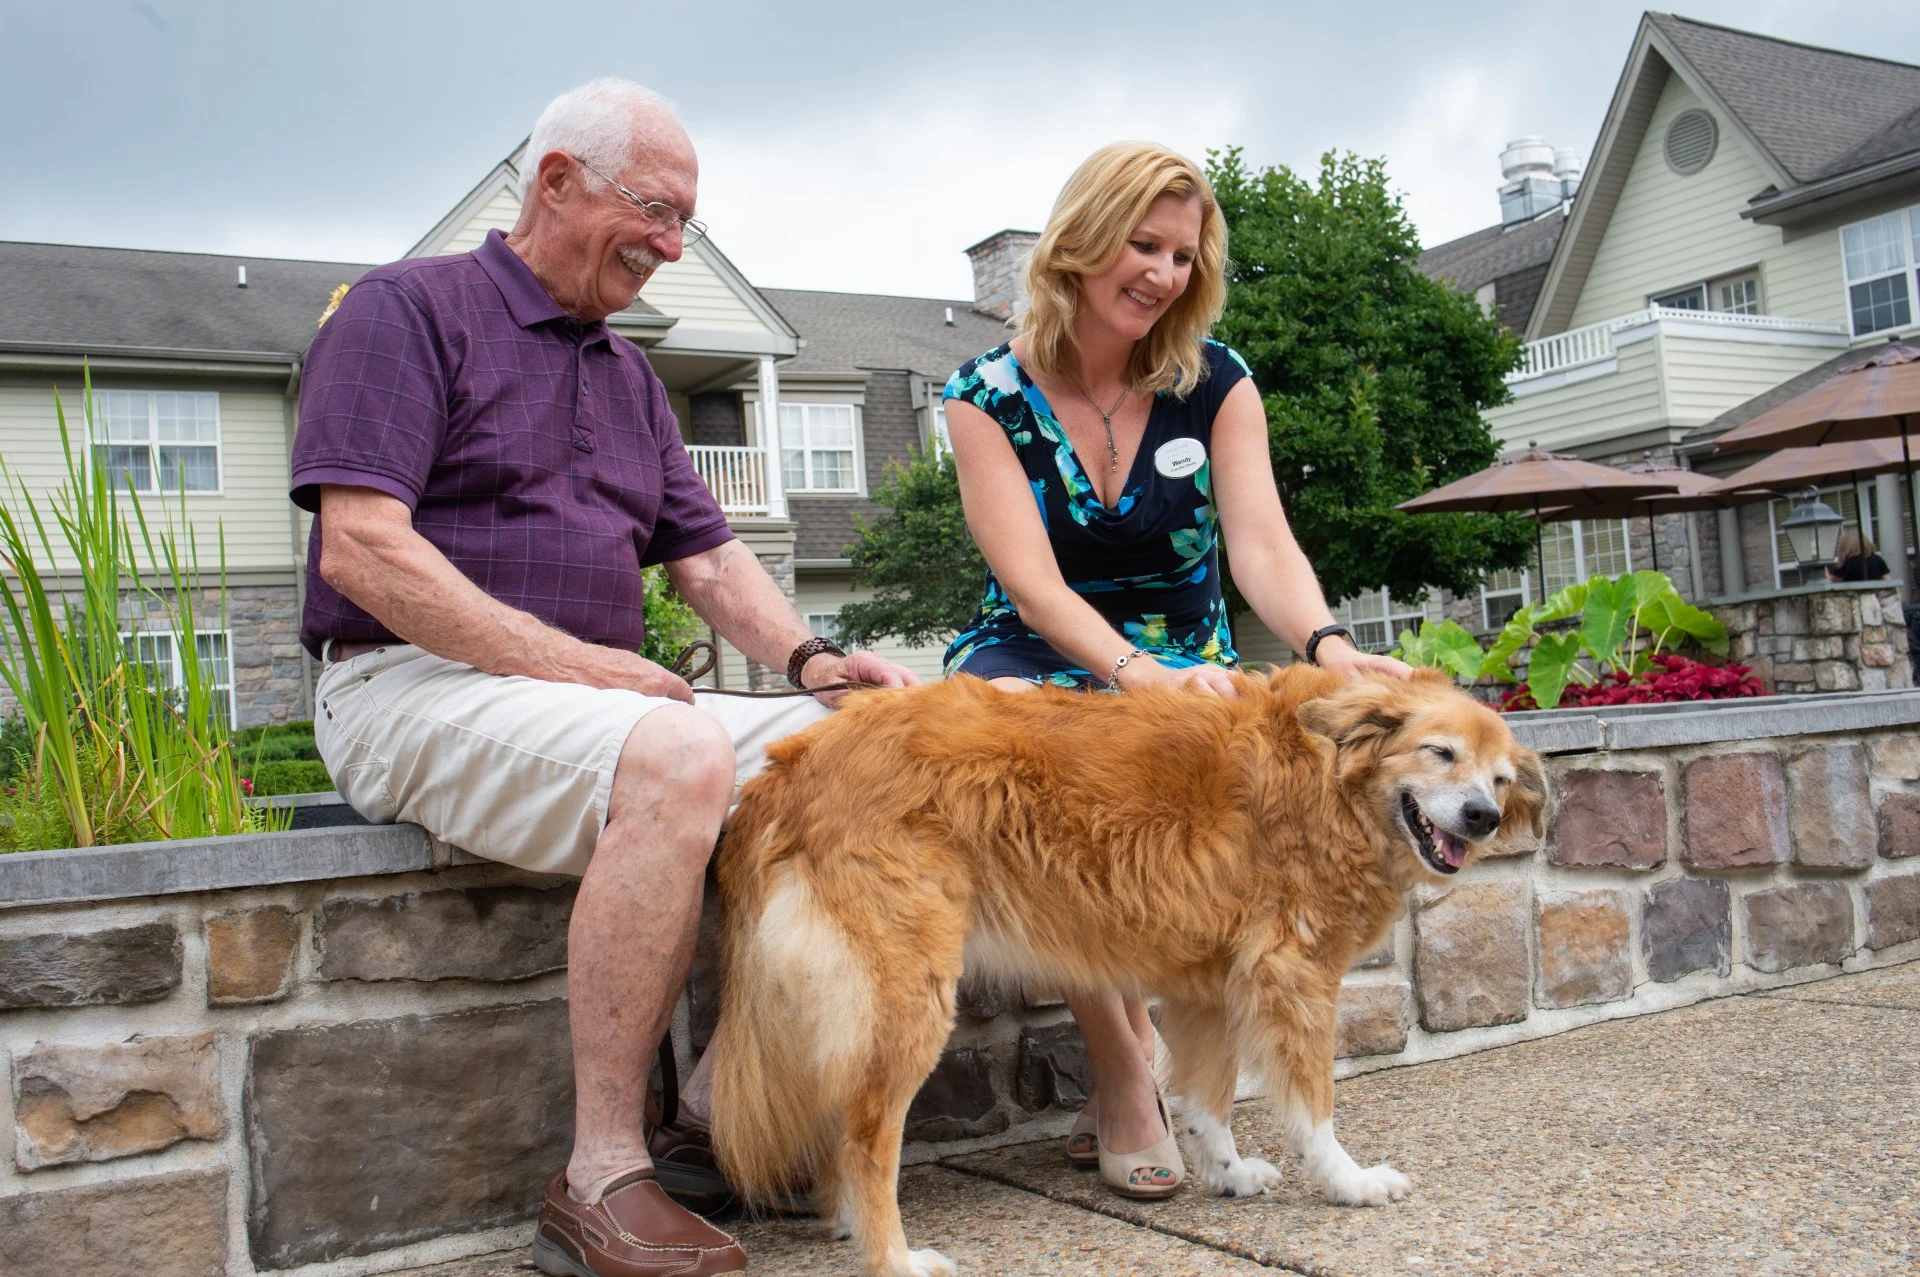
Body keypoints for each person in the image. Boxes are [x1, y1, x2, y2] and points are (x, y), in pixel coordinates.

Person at [290, 78, 916, 1277]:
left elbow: (713, 558)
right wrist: (573, 662)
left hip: (580, 704)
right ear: (557, 182)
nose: (673, 245)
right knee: (675, 746)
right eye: (656, 210)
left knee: (874, 753)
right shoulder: (404, 312)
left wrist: (815, 662)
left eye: (688, 222)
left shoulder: (628, 377)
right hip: (402, 686)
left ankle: (714, 1125)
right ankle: (598, 1179)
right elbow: (362, 547)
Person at [941, 141, 1410, 1200]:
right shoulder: (982, 394)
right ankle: (1125, 1068)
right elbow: (1032, 584)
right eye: (1141, 245)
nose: (1160, 273)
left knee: (1203, 761)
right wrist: (1127, 673)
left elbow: (1263, 545)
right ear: (1080, 243)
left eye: (1181, 255)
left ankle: (1164, 1065)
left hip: (1188, 653)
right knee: (1042, 744)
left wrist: (1328, 645)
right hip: (1036, 645)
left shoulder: (1218, 380)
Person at [1826, 527, 1892, 583]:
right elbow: (1888, 580)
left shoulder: (1848, 562)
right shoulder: (1877, 559)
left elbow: (1834, 580)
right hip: (1875, 596)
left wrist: (1826, 568)